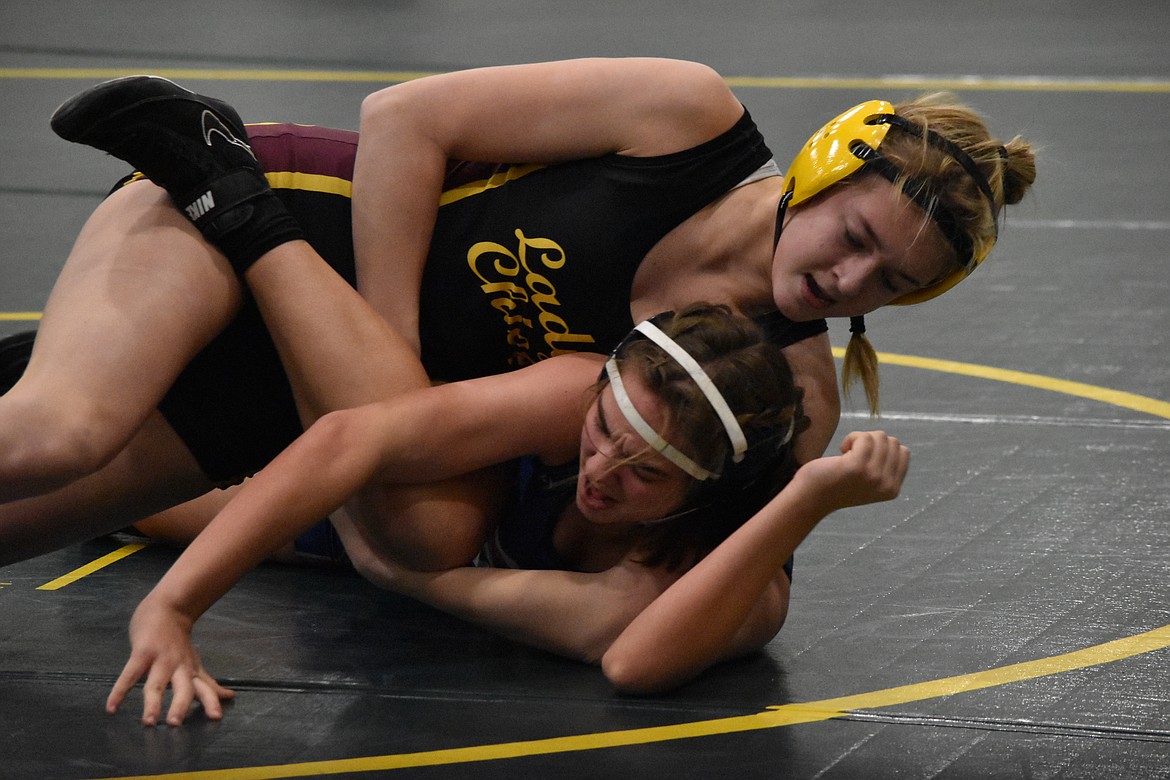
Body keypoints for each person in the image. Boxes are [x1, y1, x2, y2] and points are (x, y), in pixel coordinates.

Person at [0, 58, 1035, 571]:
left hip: (299, 392)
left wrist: (805, 505)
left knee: (427, 526)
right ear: (824, 166)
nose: (852, 283)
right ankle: (198, 192)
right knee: (58, 437)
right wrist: (378, 353)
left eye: (892, 286)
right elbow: (403, 118)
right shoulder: (686, 119)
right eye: (855, 239)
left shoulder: (787, 389)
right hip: (250, 219)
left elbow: (660, 568)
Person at [100, 302, 910, 725]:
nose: (600, 471)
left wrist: (805, 501)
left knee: (119, 506)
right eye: (602, 432)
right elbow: (355, 433)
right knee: (83, 461)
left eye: (644, 477)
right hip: (295, 419)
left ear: (706, 492)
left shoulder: (731, 571)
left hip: (311, 521)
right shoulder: (573, 390)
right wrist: (173, 608)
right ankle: (244, 206)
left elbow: (633, 663)